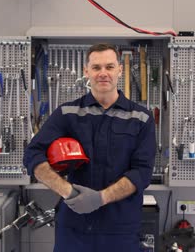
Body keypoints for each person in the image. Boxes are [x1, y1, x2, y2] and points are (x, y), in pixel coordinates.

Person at [23, 43, 156, 252]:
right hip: (74, 230)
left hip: (120, 231)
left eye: (109, 67)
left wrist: (100, 198)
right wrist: (68, 191)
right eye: (96, 67)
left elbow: (142, 173)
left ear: (120, 70)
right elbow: (32, 154)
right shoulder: (67, 113)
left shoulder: (141, 118)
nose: (103, 73)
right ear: (87, 71)